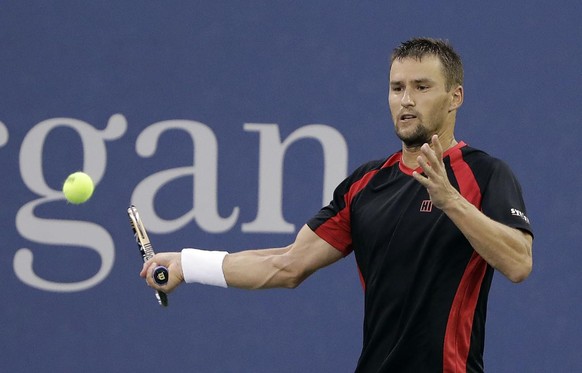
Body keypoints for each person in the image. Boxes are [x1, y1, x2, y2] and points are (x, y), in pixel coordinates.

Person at [140, 37, 533, 372]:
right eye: (397, 88)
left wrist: (451, 202)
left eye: (422, 87)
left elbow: (518, 263)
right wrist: (187, 264)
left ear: (455, 97)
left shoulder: (486, 175)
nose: (406, 100)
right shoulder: (366, 184)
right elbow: (287, 265)